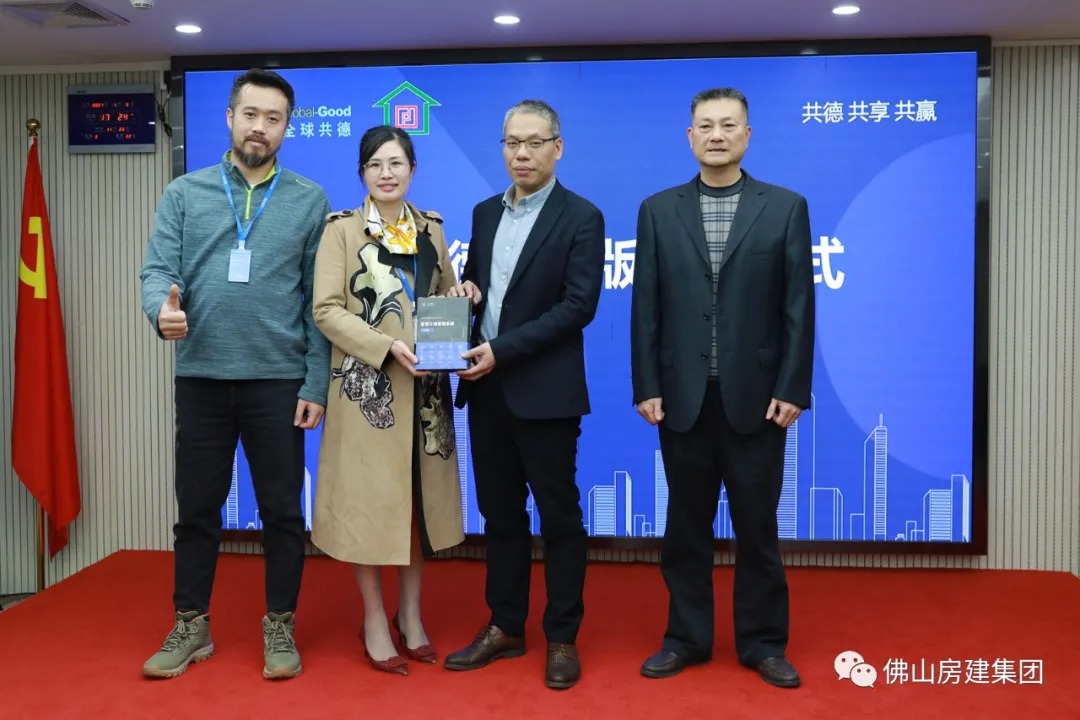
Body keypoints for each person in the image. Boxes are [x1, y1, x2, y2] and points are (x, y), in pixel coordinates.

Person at [139, 68, 331, 680]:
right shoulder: (185, 193)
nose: (260, 128)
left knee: (282, 513)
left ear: (286, 127)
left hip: (278, 381)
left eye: (273, 119)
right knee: (196, 510)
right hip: (201, 377)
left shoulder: (309, 199)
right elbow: (157, 272)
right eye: (251, 114)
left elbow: (317, 303)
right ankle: (191, 623)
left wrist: (315, 383)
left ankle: (280, 624)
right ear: (229, 117)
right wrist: (160, 310)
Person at [630, 87, 814, 688]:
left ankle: (764, 643)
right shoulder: (658, 210)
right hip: (682, 397)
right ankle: (686, 639)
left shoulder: (784, 207)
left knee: (757, 529)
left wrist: (793, 386)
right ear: (689, 137)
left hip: (758, 399)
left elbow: (798, 307)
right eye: (705, 126)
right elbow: (646, 307)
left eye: (728, 125)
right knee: (686, 529)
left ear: (747, 135)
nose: (716, 135)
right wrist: (646, 384)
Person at [444, 99, 605, 690]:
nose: (522, 153)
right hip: (486, 391)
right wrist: (468, 292)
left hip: (546, 393)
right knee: (500, 515)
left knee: (559, 517)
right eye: (512, 142)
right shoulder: (485, 212)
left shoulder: (581, 217)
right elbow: (486, 287)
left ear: (557, 148)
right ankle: (506, 626)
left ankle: (561, 636)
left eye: (535, 143)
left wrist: (503, 349)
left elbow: (577, 306)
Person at [309, 125, 465, 676]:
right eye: (375, 165)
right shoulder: (342, 232)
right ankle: (375, 618)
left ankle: (411, 616)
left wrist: (458, 296)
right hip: (369, 392)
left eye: (396, 163)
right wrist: (385, 346)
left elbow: (443, 296)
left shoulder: (431, 229)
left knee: (415, 510)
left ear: (413, 170)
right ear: (362, 174)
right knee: (371, 508)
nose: (387, 173)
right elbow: (326, 309)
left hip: (425, 392)